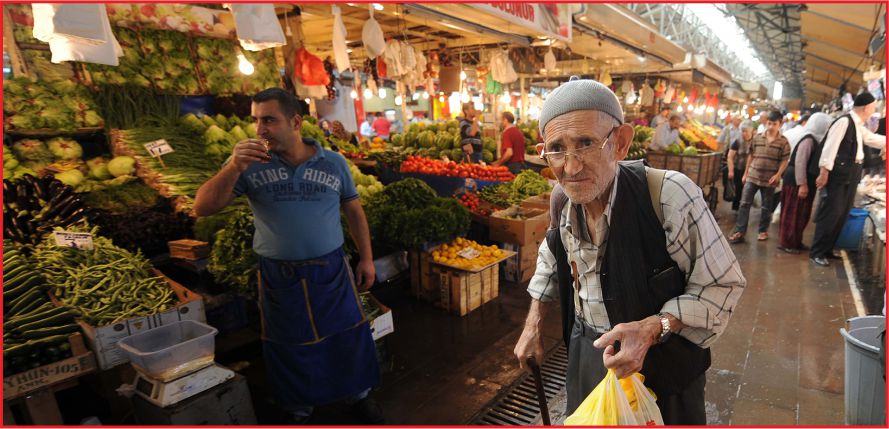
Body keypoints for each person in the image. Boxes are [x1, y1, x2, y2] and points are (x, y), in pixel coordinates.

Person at [512, 76, 746, 425]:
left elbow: (722, 286)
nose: (571, 167)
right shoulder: (562, 199)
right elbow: (551, 257)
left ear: (620, 143)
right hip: (589, 357)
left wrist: (655, 326)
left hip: (664, 368)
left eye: (586, 143)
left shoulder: (669, 197)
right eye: (557, 148)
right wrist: (533, 325)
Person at [192, 88, 383, 424]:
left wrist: (366, 259)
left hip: (332, 269)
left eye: (269, 119)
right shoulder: (247, 164)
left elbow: (353, 210)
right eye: (255, 120)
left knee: (348, 334)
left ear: (295, 122)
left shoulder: (334, 162)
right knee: (288, 344)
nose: (259, 129)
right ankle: (298, 408)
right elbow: (202, 207)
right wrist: (234, 167)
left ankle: (359, 397)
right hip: (279, 274)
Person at [810, 93, 886, 266]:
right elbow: (831, 147)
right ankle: (817, 252)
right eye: (873, 107)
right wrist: (824, 172)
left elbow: (871, 139)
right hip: (838, 175)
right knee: (831, 213)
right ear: (866, 107)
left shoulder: (859, 125)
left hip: (852, 174)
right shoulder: (844, 121)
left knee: (841, 214)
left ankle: (827, 248)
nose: (874, 110)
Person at [728, 111, 790, 244]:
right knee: (744, 203)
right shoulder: (757, 138)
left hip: (770, 179)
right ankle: (740, 231)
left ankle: (762, 230)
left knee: (766, 206)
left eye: (774, 124)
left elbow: (785, 160)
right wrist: (746, 173)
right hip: (753, 176)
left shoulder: (784, 142)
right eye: (769, 123)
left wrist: (778, 175)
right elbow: (751, 155)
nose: (771, 126)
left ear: (780, 124)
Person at [777, 113, 833, 254]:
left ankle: (796, 241)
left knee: (801, 214)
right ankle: (787, 243)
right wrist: (802, 184)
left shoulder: (814, 139)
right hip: (796, 180)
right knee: (792, 212)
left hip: (802, 181)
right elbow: (800, 163)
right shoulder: (808, 140)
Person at [726, 121, 756, 211]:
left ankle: (744, 208)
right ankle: (737, 209)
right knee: (738, 189)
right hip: (738, 169)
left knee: (747, 191)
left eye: (746, 131)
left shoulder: (755, 142)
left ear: (752, 131)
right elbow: (730, 157)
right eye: (742, 131)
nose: (744, 133)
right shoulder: (737, 142)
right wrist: (731, 171)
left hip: (751, 170)